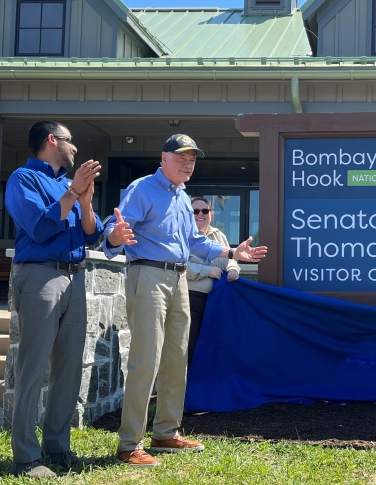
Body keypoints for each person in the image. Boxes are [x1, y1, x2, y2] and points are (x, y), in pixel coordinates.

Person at [104, 134, 267, 467]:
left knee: (176, 359)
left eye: (192, 159)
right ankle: (129, 443)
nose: (188, 163)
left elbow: (195, 241)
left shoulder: (181, 197)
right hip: (147, 274)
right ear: (163, 158)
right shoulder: (142, 188)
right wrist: (114, 236)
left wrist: (233, 251)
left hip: (178, 278)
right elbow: (116, 226)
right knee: (146, 359)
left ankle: (165, 432)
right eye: (181, 157)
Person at [5, 120, 103, 478]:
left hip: (75, 278)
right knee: (32, 368)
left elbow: (92, 236)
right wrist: (73, 193)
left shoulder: (69, 185)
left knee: (69, 367)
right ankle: (26, 458)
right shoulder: (23, 179)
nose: (75, 147)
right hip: (40, 276)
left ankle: (58, 449)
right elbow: (41, 228)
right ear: (51, 141)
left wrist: (86, 202)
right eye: (69, 141)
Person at [187, 197, 240, 366]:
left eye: (205, 211)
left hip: (217, 300)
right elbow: (178, 265)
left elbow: (230, 258)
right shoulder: (182, 236)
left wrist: (233, 269)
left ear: (211, 214)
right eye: (195, 211)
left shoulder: (219, 235)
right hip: (190, 298)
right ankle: (186, 388)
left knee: (215, 345)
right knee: (189, 345)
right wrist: (207, 271)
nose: (200, 214)